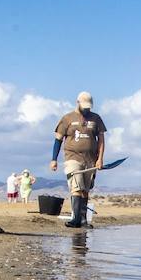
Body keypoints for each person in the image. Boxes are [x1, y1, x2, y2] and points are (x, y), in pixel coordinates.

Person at [51, 92, 106, 228]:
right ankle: (75, 219)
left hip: (90, 159)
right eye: (84, 106)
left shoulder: (96, 118)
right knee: (76, 187)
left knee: (85, 189)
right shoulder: (67, 118)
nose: (87, 109)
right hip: (72, 158)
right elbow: (58, 139)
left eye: (89, 107)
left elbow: (101, 140)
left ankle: (83, 220)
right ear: (77, 102)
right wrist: (54, 159)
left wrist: (100, 159)